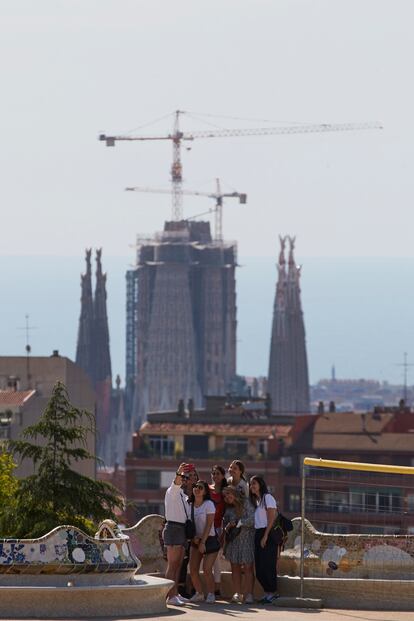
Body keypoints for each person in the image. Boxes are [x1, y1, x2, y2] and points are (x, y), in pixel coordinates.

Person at [163, 463, 193, 606]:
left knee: (178, 565)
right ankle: (170, 596)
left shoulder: (183, 495)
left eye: (186, 478)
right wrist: (179, 473)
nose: (184, 480)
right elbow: (176, 483)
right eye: (183, 478)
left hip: (181, 529)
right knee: (172, 564)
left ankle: (175, 593)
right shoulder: (172, 491)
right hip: (173, 528)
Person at [222, 485, 255, 604]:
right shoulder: (229, 509)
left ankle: (249, 594)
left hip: (247, 539)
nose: (227, 497)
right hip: (234, 541)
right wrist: (228, 525)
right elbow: (224, 525)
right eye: (225, 496)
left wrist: (240, 522)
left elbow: (253, 519)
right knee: (235, 567)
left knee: (248, 567)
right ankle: (237, 594)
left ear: (234, 493)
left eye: (228, 493)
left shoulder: (246, 503)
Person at [188, 480, 220, 604]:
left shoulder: (209, 504)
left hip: (210, 539)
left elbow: (209, 524)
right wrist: (193, 538)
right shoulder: (189, 504)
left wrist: (203, 542)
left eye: (200, 487)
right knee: (193, 570)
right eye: (195, 486)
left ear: (205, 491)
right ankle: (199, 593)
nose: (197, 489)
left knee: (207, 569)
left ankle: (211, 594)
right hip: (195, 540)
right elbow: (188, 525)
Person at [249, 475, 279, 604]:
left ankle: (272, 593)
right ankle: (267, 593)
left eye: (254, 483)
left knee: (268, 565)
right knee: (260, 567)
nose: (252, 486)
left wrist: (265, 535)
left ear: (260, 484)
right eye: (250, 484)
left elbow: (271, 517)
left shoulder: (268, 498)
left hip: (268, 532)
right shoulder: (256, 501)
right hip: (258, 532)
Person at [209, 465, 227, 595]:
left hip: (218, 527)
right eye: (213, 473)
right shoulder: (207, 489)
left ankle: (217, 588)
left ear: (223, 476)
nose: (215, 476)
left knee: (216, 560)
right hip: (205, 527)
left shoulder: (225, 491)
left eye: (218, 474)